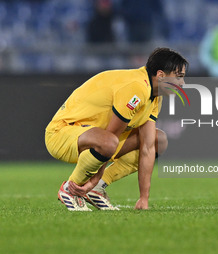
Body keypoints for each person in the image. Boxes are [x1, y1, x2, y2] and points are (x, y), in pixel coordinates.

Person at [45, 48, 188, 211]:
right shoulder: (137, 88)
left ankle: (97, 188)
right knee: (109, 142)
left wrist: (144, 198)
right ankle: (72, 189)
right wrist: (91, 179)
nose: (182, 83)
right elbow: (110, 136)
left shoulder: (154, 96)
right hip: (61, 133)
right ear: (161, 75)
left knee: (158, 140)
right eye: (179, 77)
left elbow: (148, 148)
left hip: (95, 137)